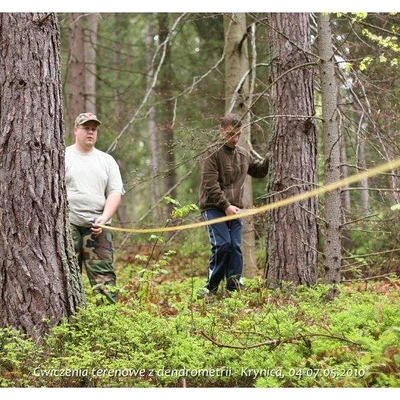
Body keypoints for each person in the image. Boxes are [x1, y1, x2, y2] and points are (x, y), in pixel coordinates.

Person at [198, 113, 269, 297]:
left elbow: (258, 171)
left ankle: (233, 287)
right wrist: (226, 206)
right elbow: (210, 185)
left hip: (236, 209)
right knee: (222, 245)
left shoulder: (243, 154)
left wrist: (271, 157)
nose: (235, 138)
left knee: (235, 246)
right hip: (213, 207)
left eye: (238, 134)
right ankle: (210, 288)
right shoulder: (211, 153)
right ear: (222, 131)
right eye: (231, 134)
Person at [65, 112, 125, 304]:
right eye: (86, 128)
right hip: (67, 226)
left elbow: (115, 191)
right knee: (65, 277)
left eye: (94, 129)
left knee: (104, 278)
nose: (90, 132)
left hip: (97, 227)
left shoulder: (106, 161)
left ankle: (106, 322)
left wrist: (105, 217)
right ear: (76, 130)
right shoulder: (63, 156)